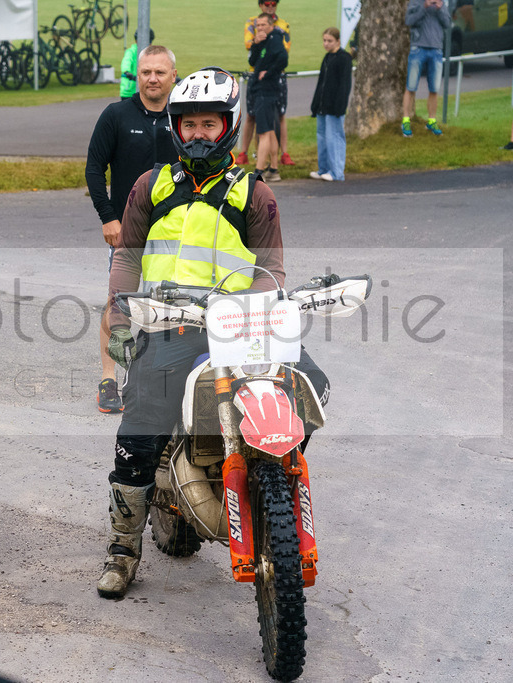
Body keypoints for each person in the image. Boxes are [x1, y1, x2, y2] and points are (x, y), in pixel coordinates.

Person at [95, 67, 326, 599]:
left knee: (309, 386)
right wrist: (122, 320)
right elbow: (126, 259)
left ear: (229, 126)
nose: (199, 133)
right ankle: (124, 548)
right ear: (176, 128)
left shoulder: (255, 196)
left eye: (210, 123)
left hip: (236, 330)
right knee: (138, 432)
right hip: (166, 328)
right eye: (190, 124)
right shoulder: (149, 187)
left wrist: (267, 314)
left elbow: (273, 275)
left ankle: (264, 483)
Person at [86, 45, 177, 414]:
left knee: (170, 305)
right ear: (136, 76)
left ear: (174, 75)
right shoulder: (116, 115)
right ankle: (110, 379)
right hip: (127, 231)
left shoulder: (184, 118)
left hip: (174, 234)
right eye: (145, 73)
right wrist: (108, 217)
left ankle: (158, 378)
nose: (152, 79)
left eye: (159, 72)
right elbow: (94, 169)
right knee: (118, 304)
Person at [239, 0, 292, 167]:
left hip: (273, 79)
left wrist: (269, 71)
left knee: (279, 117)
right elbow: (248, 44)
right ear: (260, 5)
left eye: (273, 4)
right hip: (256, 77)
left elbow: (285, 50)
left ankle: (281, 156)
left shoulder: (283, 25)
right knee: (251, 116)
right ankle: (245, 152)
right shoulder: (251, 22)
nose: (270, 7)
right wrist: (257, 41)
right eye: (266, 4)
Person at [402, 0, 451, 138]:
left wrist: (440, 9)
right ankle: (405, 121)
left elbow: (447, 23)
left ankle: (432, 121)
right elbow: (409, 21)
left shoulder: (441, 3)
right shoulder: (416, 2)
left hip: (436, 49)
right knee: (411, 87)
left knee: (434, 89)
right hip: (418, 48)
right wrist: (424, 7)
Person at [309, 28, 352, 182]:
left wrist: (340, 106)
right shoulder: (327, 58)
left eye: (329, 41)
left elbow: (344, 85)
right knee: (322, 138)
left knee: (334, 137)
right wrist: (315, 104)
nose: (326, 44)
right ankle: (324, 169)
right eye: (324, 40)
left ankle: (337, 172)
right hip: (322, 105)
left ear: (338, 41)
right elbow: (321, 83)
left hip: (335, 107)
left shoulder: (344, 58)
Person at [248, 13, 288, 182]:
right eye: (258, 25)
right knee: (270, 130)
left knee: (263, 132)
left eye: (264, 25)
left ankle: (259, 170)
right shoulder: (262, 41)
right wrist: (256, 43)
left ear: (271, 25)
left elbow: (283, 59)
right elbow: (253, 61)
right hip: (261, 90)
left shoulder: (276, 38)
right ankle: (274, 168)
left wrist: (268, 73)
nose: (261, 28)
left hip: (267, 90)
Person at [119, 29, 155, 100]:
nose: (150, 44)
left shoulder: (150, 52)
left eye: (150, 42)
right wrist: (127, 72)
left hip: (142, 90)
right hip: (129, 90)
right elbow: (126, 62)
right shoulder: (131, 52)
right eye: (148, 42)